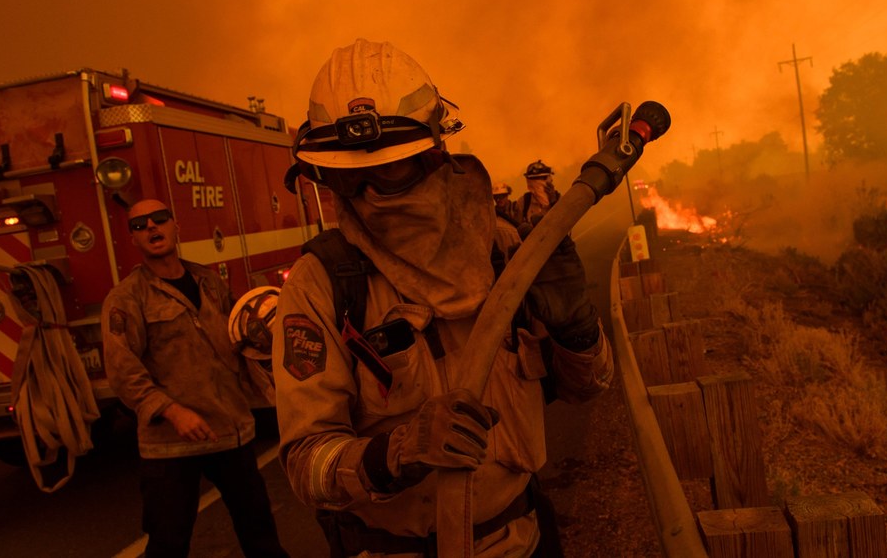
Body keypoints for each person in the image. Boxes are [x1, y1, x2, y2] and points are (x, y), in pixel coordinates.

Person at [274, 38, 612, 557]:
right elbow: (306, 467)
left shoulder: (504, 250)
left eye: (388, 170)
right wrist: (393, 454)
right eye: (347, 175)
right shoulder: (321, 284)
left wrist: (578, 330)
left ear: (434, 154)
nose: (368, 193)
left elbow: (588, 389)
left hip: (520, 541)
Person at [101, 199, 288, 558]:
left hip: (230, 430)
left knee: (261, 534)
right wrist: (172, 412)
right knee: (168, 542)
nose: (152, 228)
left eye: (159, 220)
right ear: (133, 240)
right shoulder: (126, 298)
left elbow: (240, 342)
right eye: (141, 226)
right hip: (170, 444)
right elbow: (123, 370)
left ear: (176, 226)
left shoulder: (208, 281)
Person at [518, 160, 561, 225]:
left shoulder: (558, 199)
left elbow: (564, 222)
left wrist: (554, 203)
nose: (536, 184)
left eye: (542, 178)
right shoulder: (524, 201)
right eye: (534, 179)